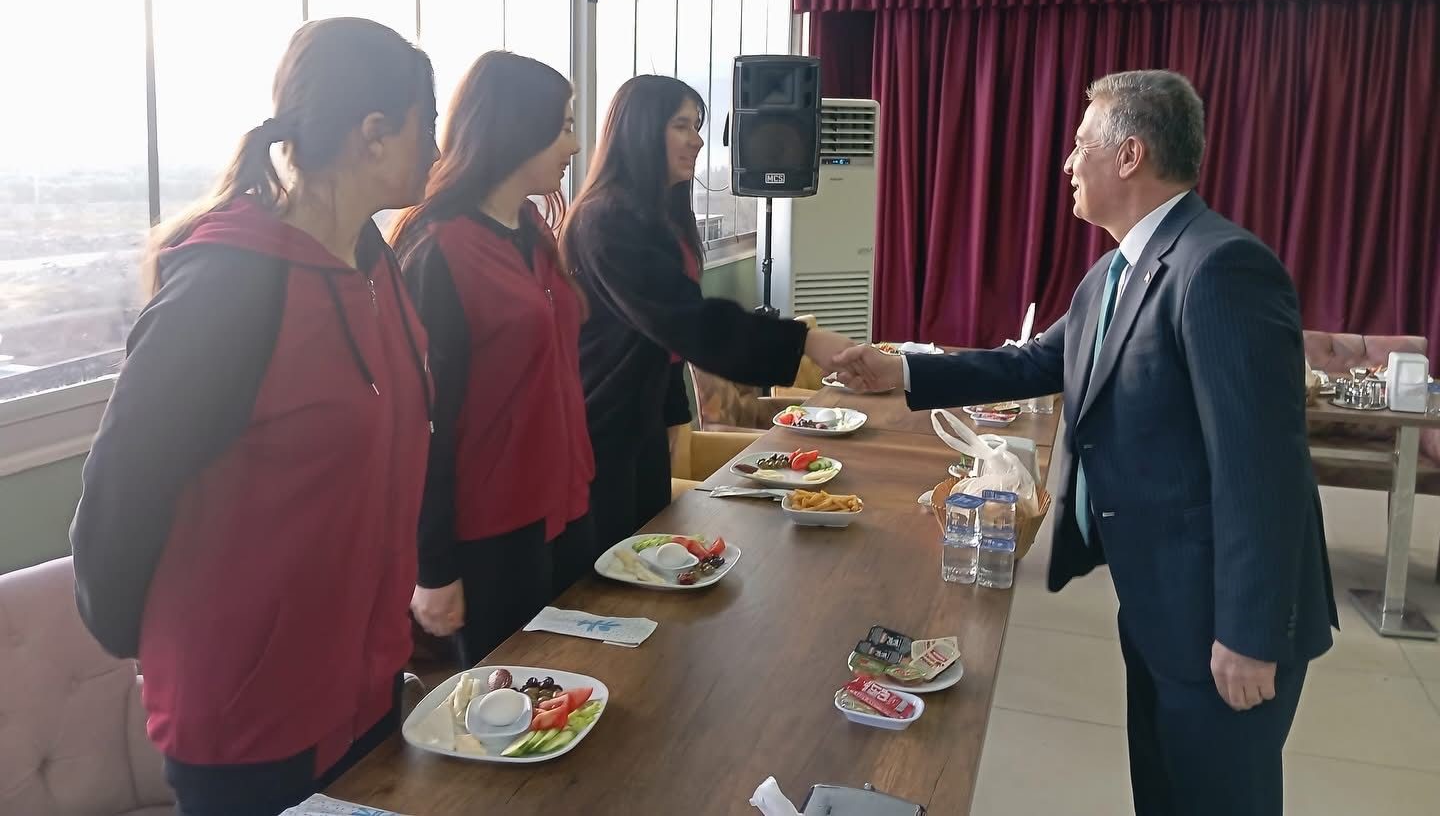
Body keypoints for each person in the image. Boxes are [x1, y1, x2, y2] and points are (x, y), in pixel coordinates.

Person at [836, 70, 1335, 816]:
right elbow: (1032, 362)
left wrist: (1249, 633)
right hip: (1159, 600)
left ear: (1128, 155)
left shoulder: (1220, 268)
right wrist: (900, 368)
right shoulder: (1115, 271)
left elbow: (1260, 468)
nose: (1067, 164)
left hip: (1220, 619)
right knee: (1163, 793)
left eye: (1079, 145)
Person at [70, 17, 439, 816]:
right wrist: (183, 647)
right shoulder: (230, 288)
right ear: (373, 134)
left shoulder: (379, 271)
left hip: (364, 688)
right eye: (427, 127)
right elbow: (116, 500)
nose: (438, 152)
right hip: (249, 720)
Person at [560, 75, 854, 550]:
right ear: (640, 130)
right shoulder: (608, 217)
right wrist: (803, 341)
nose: (697, 140)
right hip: (605, 422)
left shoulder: (664, 212)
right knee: (614, 569)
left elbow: (664, 338)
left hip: (646, 415)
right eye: (681, 125)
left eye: (697, 125)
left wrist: (674, 413)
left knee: (652, 555)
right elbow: (685, 320)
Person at [392, 51, 595, 665]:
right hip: (491, 531)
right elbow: (422, 424)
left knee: (569, 691)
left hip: (562, 505)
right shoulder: (440, 251)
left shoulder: (532, 230)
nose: (572, 145)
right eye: (562, 126)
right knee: (503, 713)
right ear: (517, 129)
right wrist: (434, 567)